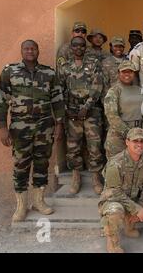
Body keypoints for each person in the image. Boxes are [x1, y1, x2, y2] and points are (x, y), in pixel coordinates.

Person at [0, 40, 65, 222]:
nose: (30, 51)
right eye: (26, 48)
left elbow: (57, 100)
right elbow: (1, 100)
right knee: (21, 165)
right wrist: (2, 127)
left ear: (38, 51)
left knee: (42, 164)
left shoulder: (49, 73)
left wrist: (58, 125)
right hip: (20, 128)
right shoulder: (9, 71)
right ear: (21, 51)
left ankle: (39, 201)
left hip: (45, 126)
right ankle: (21, 206)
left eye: (33, 48)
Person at [99, 128, 143, 253]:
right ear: (127, 142)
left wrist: (142, 206)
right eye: (135, 141)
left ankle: (129, 224)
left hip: (135, 199)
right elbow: (114, 193)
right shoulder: (115, 163)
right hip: (114, 201)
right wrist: (136, 209)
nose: (139, 144)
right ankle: (112, 242)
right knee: (114, 212)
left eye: (142, 141)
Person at [57, 36, 104, 195]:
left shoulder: (93, 64)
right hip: (72, 113)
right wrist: (66, 109)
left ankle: (96, 177)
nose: (78, 48)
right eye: (75, 46)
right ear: (71, 47)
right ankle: (76, 177)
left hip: (91, 112)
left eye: (82, 46)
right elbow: (60, 90)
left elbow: (97, 86)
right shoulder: (65, 67)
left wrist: (87, 107)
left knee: (94, 146)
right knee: (73, 146)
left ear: (85, 48)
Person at [104, 61, 143, 159]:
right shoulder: (114, 91)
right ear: (119, 73)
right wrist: (129, 133)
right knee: (117, 165)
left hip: (138, 134)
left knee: (137, 165)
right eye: (124, 72)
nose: (127, 74)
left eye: (130, 71)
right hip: (119, 135)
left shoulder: (140, 90)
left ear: (134, 73)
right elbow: (112, 116)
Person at [102, 36, 128, 101]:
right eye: (115, 46)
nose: (118, 48)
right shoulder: (106, 62)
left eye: (121, 46)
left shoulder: (128, 60)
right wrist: (106, 100)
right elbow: (104, 84)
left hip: (126, 97)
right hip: (112, 98)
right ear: (111, 47)